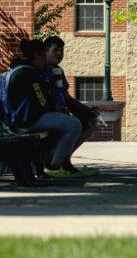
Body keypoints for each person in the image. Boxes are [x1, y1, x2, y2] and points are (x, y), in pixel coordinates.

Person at [7, 39, 93, 179]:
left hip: (26, 117)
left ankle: (58, 164)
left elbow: (41, 99)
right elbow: (41, 100)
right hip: (27, 119)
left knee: (71, 123)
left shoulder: (25, 70)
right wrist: (57, 109)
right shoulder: (27, 73)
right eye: (43, 56)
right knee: (74, 125)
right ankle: (54, 167)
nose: (44, 61)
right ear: (37, 55)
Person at [42, 35, 100, 176]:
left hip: (63, 113)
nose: (59, 54)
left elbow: (66, 97)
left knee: (91, 120)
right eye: (55, 50)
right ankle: (56, 164)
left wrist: (86, 110)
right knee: (72, 125)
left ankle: (65, 160)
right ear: (45, 51)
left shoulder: (58, 71)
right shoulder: (40, 71)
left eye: (62, 51)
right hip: (48, 115)